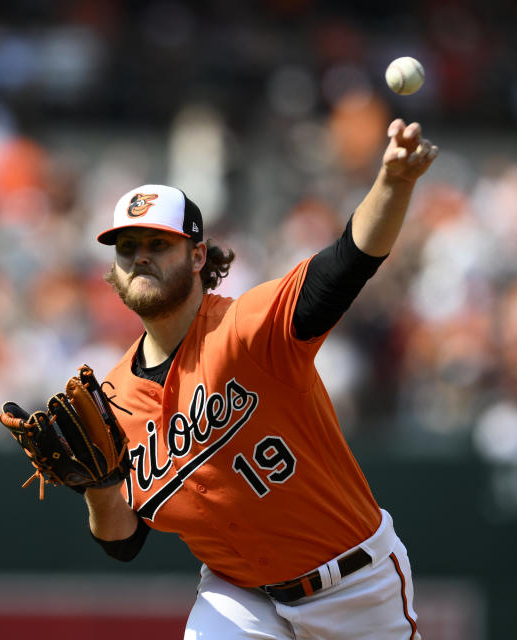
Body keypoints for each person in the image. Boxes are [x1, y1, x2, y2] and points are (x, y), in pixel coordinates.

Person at [87, 118, 437, 640]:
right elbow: (123, 541)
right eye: (127, 246)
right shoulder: (112, 398)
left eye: (158, 244)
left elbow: (347, 262)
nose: (140, 256)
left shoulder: (247, 327)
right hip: (239, 595)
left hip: (353, 586)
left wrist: (394, 182)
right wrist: (96, 486)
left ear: (198, 255)